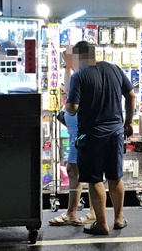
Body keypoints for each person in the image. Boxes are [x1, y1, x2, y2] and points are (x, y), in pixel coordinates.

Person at [64, 41, 135, 235]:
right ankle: (119, 218)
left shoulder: (79, 76)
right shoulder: (114, 69)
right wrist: (128, 122)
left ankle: (101, 224)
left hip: (91, 134)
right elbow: (131, 95)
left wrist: (66, 105)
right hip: (115, 132)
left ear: (79, 58)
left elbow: (72, 108)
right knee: (115, 176)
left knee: (94, 179)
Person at [48, 66, 96, 226]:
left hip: (82, 137)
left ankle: (87, 213)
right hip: (78, 136)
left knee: (86, 173)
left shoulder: (82, 85)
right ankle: (77, 212)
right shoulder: (83, 83)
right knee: (76, 172)